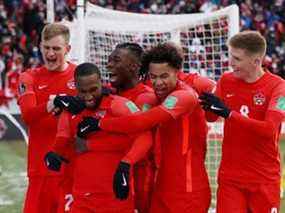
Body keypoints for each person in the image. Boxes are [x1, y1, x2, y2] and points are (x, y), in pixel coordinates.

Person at [79, 43, 201, 212]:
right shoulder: (110, 95)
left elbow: (140, 126)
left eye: (163, 76)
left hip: (176, 184)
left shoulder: (172, 96)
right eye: (154, 76)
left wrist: (99, 126)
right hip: (148, 180)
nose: (158, 82)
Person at [45, 62, 153, 213]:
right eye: (83, 91)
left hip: (115, 197)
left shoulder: (119, 106)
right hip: (82, 198)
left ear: (101, 83)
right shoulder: (69, 112)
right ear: (75, 87)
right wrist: (53, 155)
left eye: (93, 89)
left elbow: (145, 136)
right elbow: (63, 142)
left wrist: (126, 164)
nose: (89, 96)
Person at [199, 31, 285, 213]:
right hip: (231, 178)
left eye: (237, 59)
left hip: (264, 179)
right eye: (231, 56)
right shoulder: (226, 80)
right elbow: (211, 118)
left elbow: (269, 130)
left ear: (255, 61)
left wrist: (229, 114)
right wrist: (206, 104)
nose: (231, 63)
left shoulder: (279, 87)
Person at [18, 23, 83, 213]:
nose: (50, 54)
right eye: (46, 48)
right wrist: (51, 104)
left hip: (71, 171)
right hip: (40, 171)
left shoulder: (80, 77)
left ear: (68, 49)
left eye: (56, 48)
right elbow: (28, 115)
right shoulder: (29, 77)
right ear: (40, 46)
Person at [107, 42, 157, 213]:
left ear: (134, 66)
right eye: (109, 60)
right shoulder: (107, 93)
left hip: (139, 174)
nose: (109, 65)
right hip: (112, 170)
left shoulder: (146, 97)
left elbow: (143, 138)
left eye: (116, 60)